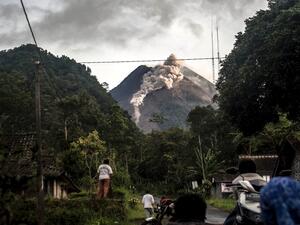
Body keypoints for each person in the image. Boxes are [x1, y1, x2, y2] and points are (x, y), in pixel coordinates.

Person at [224, 159, 257, 225]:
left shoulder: (236, 181)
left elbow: (237, 199)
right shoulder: (263, 181)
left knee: (228, 222)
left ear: (240, 170)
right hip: (262, 208)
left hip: (245, 209)